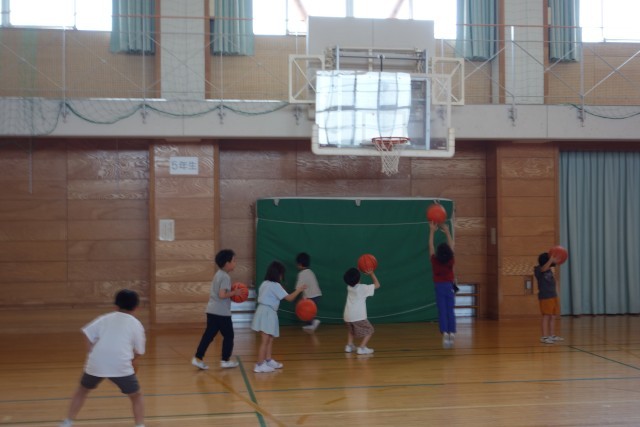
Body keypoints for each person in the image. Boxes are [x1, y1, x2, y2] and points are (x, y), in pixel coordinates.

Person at [59, 289, 146, 427]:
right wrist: (132, 360)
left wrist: (90, 352)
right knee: (136, 396)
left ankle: (67, 422)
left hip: (96, 363)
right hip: (120, 366)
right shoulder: (136, 324)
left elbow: (86, 332)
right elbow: (140, 351)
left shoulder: (105, 318)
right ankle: (140, 425)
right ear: (136, 308)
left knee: (82, 390)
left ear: (115, 306)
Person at [192, 249, 244, 370]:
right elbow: (222, 295)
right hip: (222, 313)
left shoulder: (218, 274)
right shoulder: (225, 277)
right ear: (227, 263)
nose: (235, 263)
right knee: (229, 335)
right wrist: (234, 293)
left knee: (208, 336)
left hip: (211, 310)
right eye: (234, 261)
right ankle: (225, 360)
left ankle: (198, 358)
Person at [251, 261, 306, 373]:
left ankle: (268, 360)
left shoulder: (264, 283)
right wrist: (299, 290)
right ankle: (260, 365)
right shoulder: (275, 285)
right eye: (282, 274)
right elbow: (289, 298)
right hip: (268, 313)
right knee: (265, 340)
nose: (282, 276)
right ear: (278, 274)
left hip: (263, 311)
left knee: (269, 338)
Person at [429, 221, 457, 349]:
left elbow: (430, 246)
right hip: (449, 286)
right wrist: (447, 231)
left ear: (438, 253)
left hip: (439, 286)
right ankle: (452, 332)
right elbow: (452, 245)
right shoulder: (451, 260)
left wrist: (432, 231)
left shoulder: (435, 261)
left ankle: (445, 332)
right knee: (450, 310)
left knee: (442, 311)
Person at [343, 266, 380, 355]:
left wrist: (357, 270)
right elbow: (377, 285)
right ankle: (362, 348)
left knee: (351, 330)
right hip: (358, 317)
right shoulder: (363, 288)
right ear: (359, 278)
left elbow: (353, 278)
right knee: (370, 330)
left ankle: (349, 346)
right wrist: (371, 274)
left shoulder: (349, 287)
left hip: (347, 316)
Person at [534, 252, 564, 344]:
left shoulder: (550, 270)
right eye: (549, 259)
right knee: (546, 316)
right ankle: (544, 337)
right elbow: (543, 269)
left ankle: (552, 335)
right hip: (545, 297)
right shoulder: (538, 269)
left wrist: (557, 294)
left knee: (553, 316)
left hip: (553, 296)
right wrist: (551, 259)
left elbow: (554, 282)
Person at [295, 252, 322, 332]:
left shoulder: (302, 274)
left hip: (311, 296)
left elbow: (298, 288)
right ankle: (310, 325)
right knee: (308, 312)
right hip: (317, 295)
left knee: (306, 311)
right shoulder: (310, 271)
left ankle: (313, 322)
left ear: (300, 264)